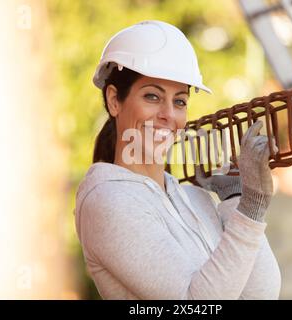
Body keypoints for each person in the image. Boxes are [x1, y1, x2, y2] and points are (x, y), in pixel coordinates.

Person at [74, 20, 281, 300]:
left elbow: (260, 295)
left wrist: (236, 200)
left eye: (180, 101)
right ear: (114, 100)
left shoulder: (195, 198)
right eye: (152, 96)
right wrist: (252, 208)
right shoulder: (107, 200)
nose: (168, 115)